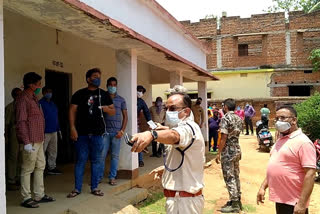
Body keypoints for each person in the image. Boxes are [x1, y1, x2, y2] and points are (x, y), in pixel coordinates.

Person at [131, 85, 205, 214]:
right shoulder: (181, 126)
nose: (168, 112)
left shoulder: (188, 128)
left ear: (186, 111)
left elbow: (174, 136)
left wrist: (151, 135)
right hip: (178, 199)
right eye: (167, 108)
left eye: (173, 109)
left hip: (184, 203)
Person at [257, 105, 316, 214]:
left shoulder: (303, 142)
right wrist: (263, 187)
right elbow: (276, 167)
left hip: (294, 202)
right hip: (281, 199)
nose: (279, 121)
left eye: (283, 118)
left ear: (294, 120)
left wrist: (302, 204)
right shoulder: (281, 139)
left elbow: (310, 174)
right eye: (277, 118)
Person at [68, 68, 115, 198]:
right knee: (81, 161)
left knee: (96, 161)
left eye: (99, 76)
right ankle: (77, 188)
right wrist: (72, 128)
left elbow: (113, 111)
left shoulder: (104, 95)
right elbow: (72, 110)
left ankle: (94, 187)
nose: (98, 79)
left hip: (98, 134)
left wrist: (106, 108)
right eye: (95, 76)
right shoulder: (79, 94)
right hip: (81, 134)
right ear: (88, 79)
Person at [15, 72, 55, 208]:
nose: (40, 86)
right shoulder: (23, 99)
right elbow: (21, 121)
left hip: (38, 138)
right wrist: (25, 142)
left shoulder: (34, 98)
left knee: (40, 166)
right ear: (31, 84)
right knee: (27, 169)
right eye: (38, 84)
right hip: (30, 140)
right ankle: (26, 197)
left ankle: (39, 194)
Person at [215, 98, 243, 213]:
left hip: (228, 151)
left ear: (225, 107)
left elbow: (224, 137)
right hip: (237, 149)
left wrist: (219, 152)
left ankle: (235, 204)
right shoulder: (239, 118)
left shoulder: (225, 118)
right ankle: (236, 199)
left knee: (229, 176)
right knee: (236, 175)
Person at [102, 77, 128, 186]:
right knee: (101, 156)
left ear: (116, 86)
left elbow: (125, 116)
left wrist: (122, 131)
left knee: (115, 156)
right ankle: (98, 177)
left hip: (117, 133)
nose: (112, 87)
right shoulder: (102, 98)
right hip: (104, 133)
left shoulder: (121, 100)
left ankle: (112, 177)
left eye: (114, 85)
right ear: (107, 86)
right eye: (110, 85)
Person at [39, 87, 62, 175]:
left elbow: (56, 117)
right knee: (42, 151)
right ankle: (42, 169)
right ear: (43, 93)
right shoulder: (40, 104)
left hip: (54, 130)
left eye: (50, 92)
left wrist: (58, 128)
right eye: (47, 92)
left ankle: (52, 167)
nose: (49, 93)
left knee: (53, 150)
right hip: (44, 131)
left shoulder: (53, 104)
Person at [5, 87, 22, 191]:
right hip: (13, 133)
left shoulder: (22, 106)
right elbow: (6, 124)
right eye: (19, 94)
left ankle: (18, 177)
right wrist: (6, 137)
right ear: (15, 96)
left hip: (22, 133)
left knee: (21, 156)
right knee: (13, 156)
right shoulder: (10, 107)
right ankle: (11, 179)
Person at [137, 85, 152, 167]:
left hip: (136, 125)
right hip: (125, 123)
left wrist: (151, 124)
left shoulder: (141, 102)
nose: (140, 92)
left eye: (142, 91)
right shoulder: (128, 98)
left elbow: (147, 113)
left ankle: (140, 160)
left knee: (139, 142)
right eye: (139, 90)